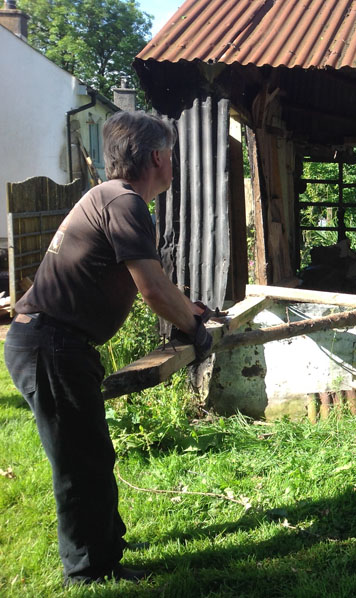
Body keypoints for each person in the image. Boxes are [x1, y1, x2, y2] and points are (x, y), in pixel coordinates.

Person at [3, 110, 212, 586]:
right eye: (172, 153)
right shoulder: (125, 202)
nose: (173, 162)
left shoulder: (112, 198)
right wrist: (195, 333)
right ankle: (91, 569)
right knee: (81, 461)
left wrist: (189, 311)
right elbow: (153, 291)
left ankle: (104, 543)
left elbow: (155, 283)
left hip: (53, 342)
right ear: (158, 156)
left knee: (90, 452)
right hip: (51, 343)